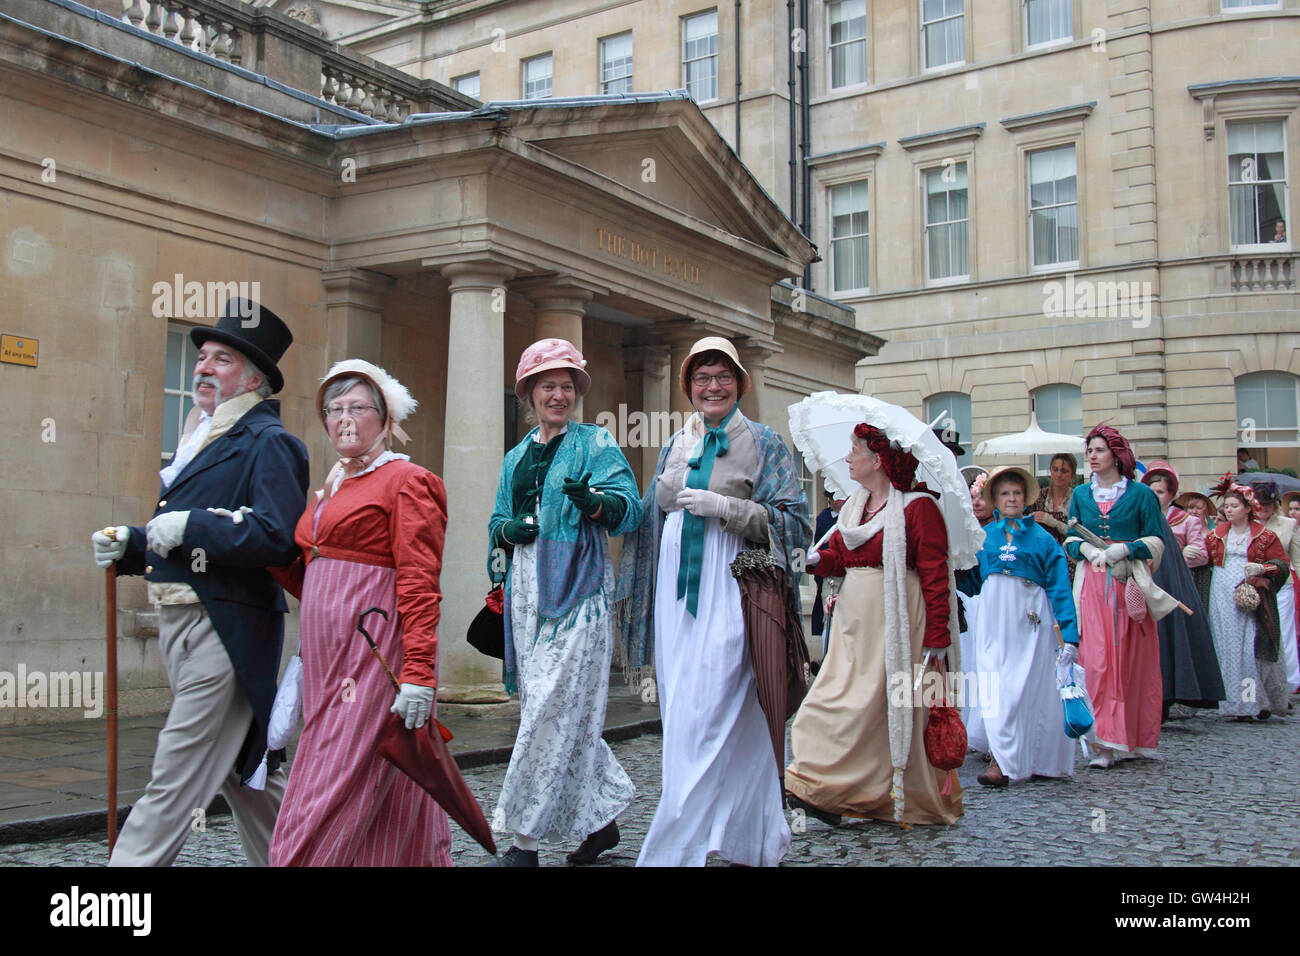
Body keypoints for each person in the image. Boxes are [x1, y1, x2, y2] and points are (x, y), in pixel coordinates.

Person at [91, 300, 309, 866]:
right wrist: (133, 544)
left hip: (226, 626)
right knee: (246, 779)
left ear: (254, 378)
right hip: (182, 623)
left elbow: (275, 536)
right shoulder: (204, 435)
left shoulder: (269, 441)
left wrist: (193, 525)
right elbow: (182, 538)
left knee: (175, 779)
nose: (203, 368)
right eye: (202, 358)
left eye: (222, 359)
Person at [618, 336, 809, 866]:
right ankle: (758, 838)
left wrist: (730, 507)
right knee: (689, 713)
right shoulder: (676, 441)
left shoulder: (766, 442)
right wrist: (652, 498)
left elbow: (794, 524)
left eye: (722, 376)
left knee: (713, 708)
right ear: (689, 387)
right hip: (676, 597)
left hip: (734, 588)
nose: (713, 386)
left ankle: (673, 851)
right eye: (702, 377)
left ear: (740, 383)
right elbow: (648, 515)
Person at [267, 360, 452, 866]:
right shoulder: (332, 488)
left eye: (357, 408)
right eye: (334, 409)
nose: (343, 419)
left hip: (375, 657)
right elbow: (316, 579)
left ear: (385, 418)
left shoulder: (407, 481)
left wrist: (418, 673)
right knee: (394, 791)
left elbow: (418, 582)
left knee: (327, 782)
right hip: (327, 663)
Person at [490, 339, 641, 867]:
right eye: (547, 385)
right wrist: (508, 529)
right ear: (528, 393)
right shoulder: (515, 457)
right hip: (526, 591)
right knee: (552, 709)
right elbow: (496, 525)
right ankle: (601, 822)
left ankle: (521, 841)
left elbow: (631, 510)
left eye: (567, 385)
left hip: (580, 591)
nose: (558, 394)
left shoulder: (596, 443)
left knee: (550, 707)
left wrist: (597, 503)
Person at [785, 422, 962, 826]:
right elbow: (844, 559)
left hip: (897, 619)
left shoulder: (918, 507)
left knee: (878, 708)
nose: (848, 457)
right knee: (831, 699)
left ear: (879, 459)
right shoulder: (853, 508)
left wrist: (938, 635)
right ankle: (824, 787)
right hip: (854, 620)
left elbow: (935, 574)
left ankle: (861, 794)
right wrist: (818, 561)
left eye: (854, 450)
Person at [1063, 425, 1168, 769]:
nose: (1091, 456)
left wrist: (1127, 549)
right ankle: (1103, 742)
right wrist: (1086, 550)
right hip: (1092, 586)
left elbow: (1156, 540)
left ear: (1116, 455)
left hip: (1128, 585)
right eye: (1089, 451)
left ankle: (1133, 737)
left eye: (1098, 450)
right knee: (1097, 660)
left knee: (1130, 661)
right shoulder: (1081, 494)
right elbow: (1069, 536)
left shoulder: (1140, 495)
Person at [968, 466, 1077, 787]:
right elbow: (964, 573)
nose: (1011, 498)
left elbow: (1059, 588)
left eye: (1016, 493)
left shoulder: (1043, 539)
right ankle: (1002, 759)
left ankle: (1035, 759)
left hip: (1030, 620)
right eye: (1005, 493)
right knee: (995, 685)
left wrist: (1069, 635)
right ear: (995, 499)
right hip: (992, 617)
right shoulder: (983, 537)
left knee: (1024, 689)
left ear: (1026, 498)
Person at [1142, 462, 1224, 717]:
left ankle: (1169, 695)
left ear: (1171, 495)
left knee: (1171, 635)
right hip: (1146, 579)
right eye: (1151, 491)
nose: (1155, 497)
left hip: (1173, 580)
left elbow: (1200, 554)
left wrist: (1184, 555)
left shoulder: (1183, 520)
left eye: (1160, 492)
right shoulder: (1141, 518)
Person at [1206, 483, 1290, 720]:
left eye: (1234, 506)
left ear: (1247, 508)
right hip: (1221, 593)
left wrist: (1263, 568)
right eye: (1227, 506)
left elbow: (1281, 564)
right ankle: (1231, 702)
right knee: (1226, 647)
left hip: (1251, 596)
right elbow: (1205, 562)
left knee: (1249, 650)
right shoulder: (1216, 535)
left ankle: (1252, 701)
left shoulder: (1264, 536)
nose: (1229, 510)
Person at [1250, 481, 1300, 693]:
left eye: (1268, 503)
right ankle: (1255, 682)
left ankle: (1289, 682)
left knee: (1284, 632)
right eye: (1260, 503)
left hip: (1281, 584)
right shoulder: (1245, 522)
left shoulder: (1288, 524)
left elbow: (1296, 557)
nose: (1264, 508)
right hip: (1251, 585)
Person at [1031, 452, 1080, 583]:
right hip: (1043, 556)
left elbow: (1079, 533)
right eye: (1055, 469)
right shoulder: (1038, 496)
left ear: (1072, 474)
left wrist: (1052, 521)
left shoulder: (1077, 497)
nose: (1059, 474)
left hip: (1069, 558)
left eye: (1064, 471)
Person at [812, 487, 847, 656]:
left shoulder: (851, 515)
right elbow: (820, 543)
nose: (835, 501)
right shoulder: (823, 517)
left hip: (850, 574)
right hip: (829, 573)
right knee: (829, 618)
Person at [1176, 490, 1217, 613]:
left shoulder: (1214, 531)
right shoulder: (1180, 527)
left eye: (1198, 508)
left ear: (1206, 511)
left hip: (1207, 576)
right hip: (1185, 574)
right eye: (1190, 507)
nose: (1194, 511)